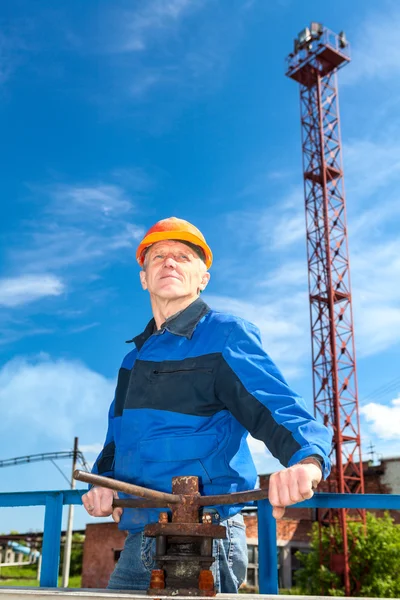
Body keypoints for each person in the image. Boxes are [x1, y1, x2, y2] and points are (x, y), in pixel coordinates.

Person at [82, 216, 332, 593]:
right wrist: (105, 483)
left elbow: (276, 407)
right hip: (139, 539)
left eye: (183, 256)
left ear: (203, 279)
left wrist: (307, 461)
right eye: (159, 256)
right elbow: (116, 442)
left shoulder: (225, 335)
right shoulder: (131, 362)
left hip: (207, 541)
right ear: (144, 278)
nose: (169, 262)